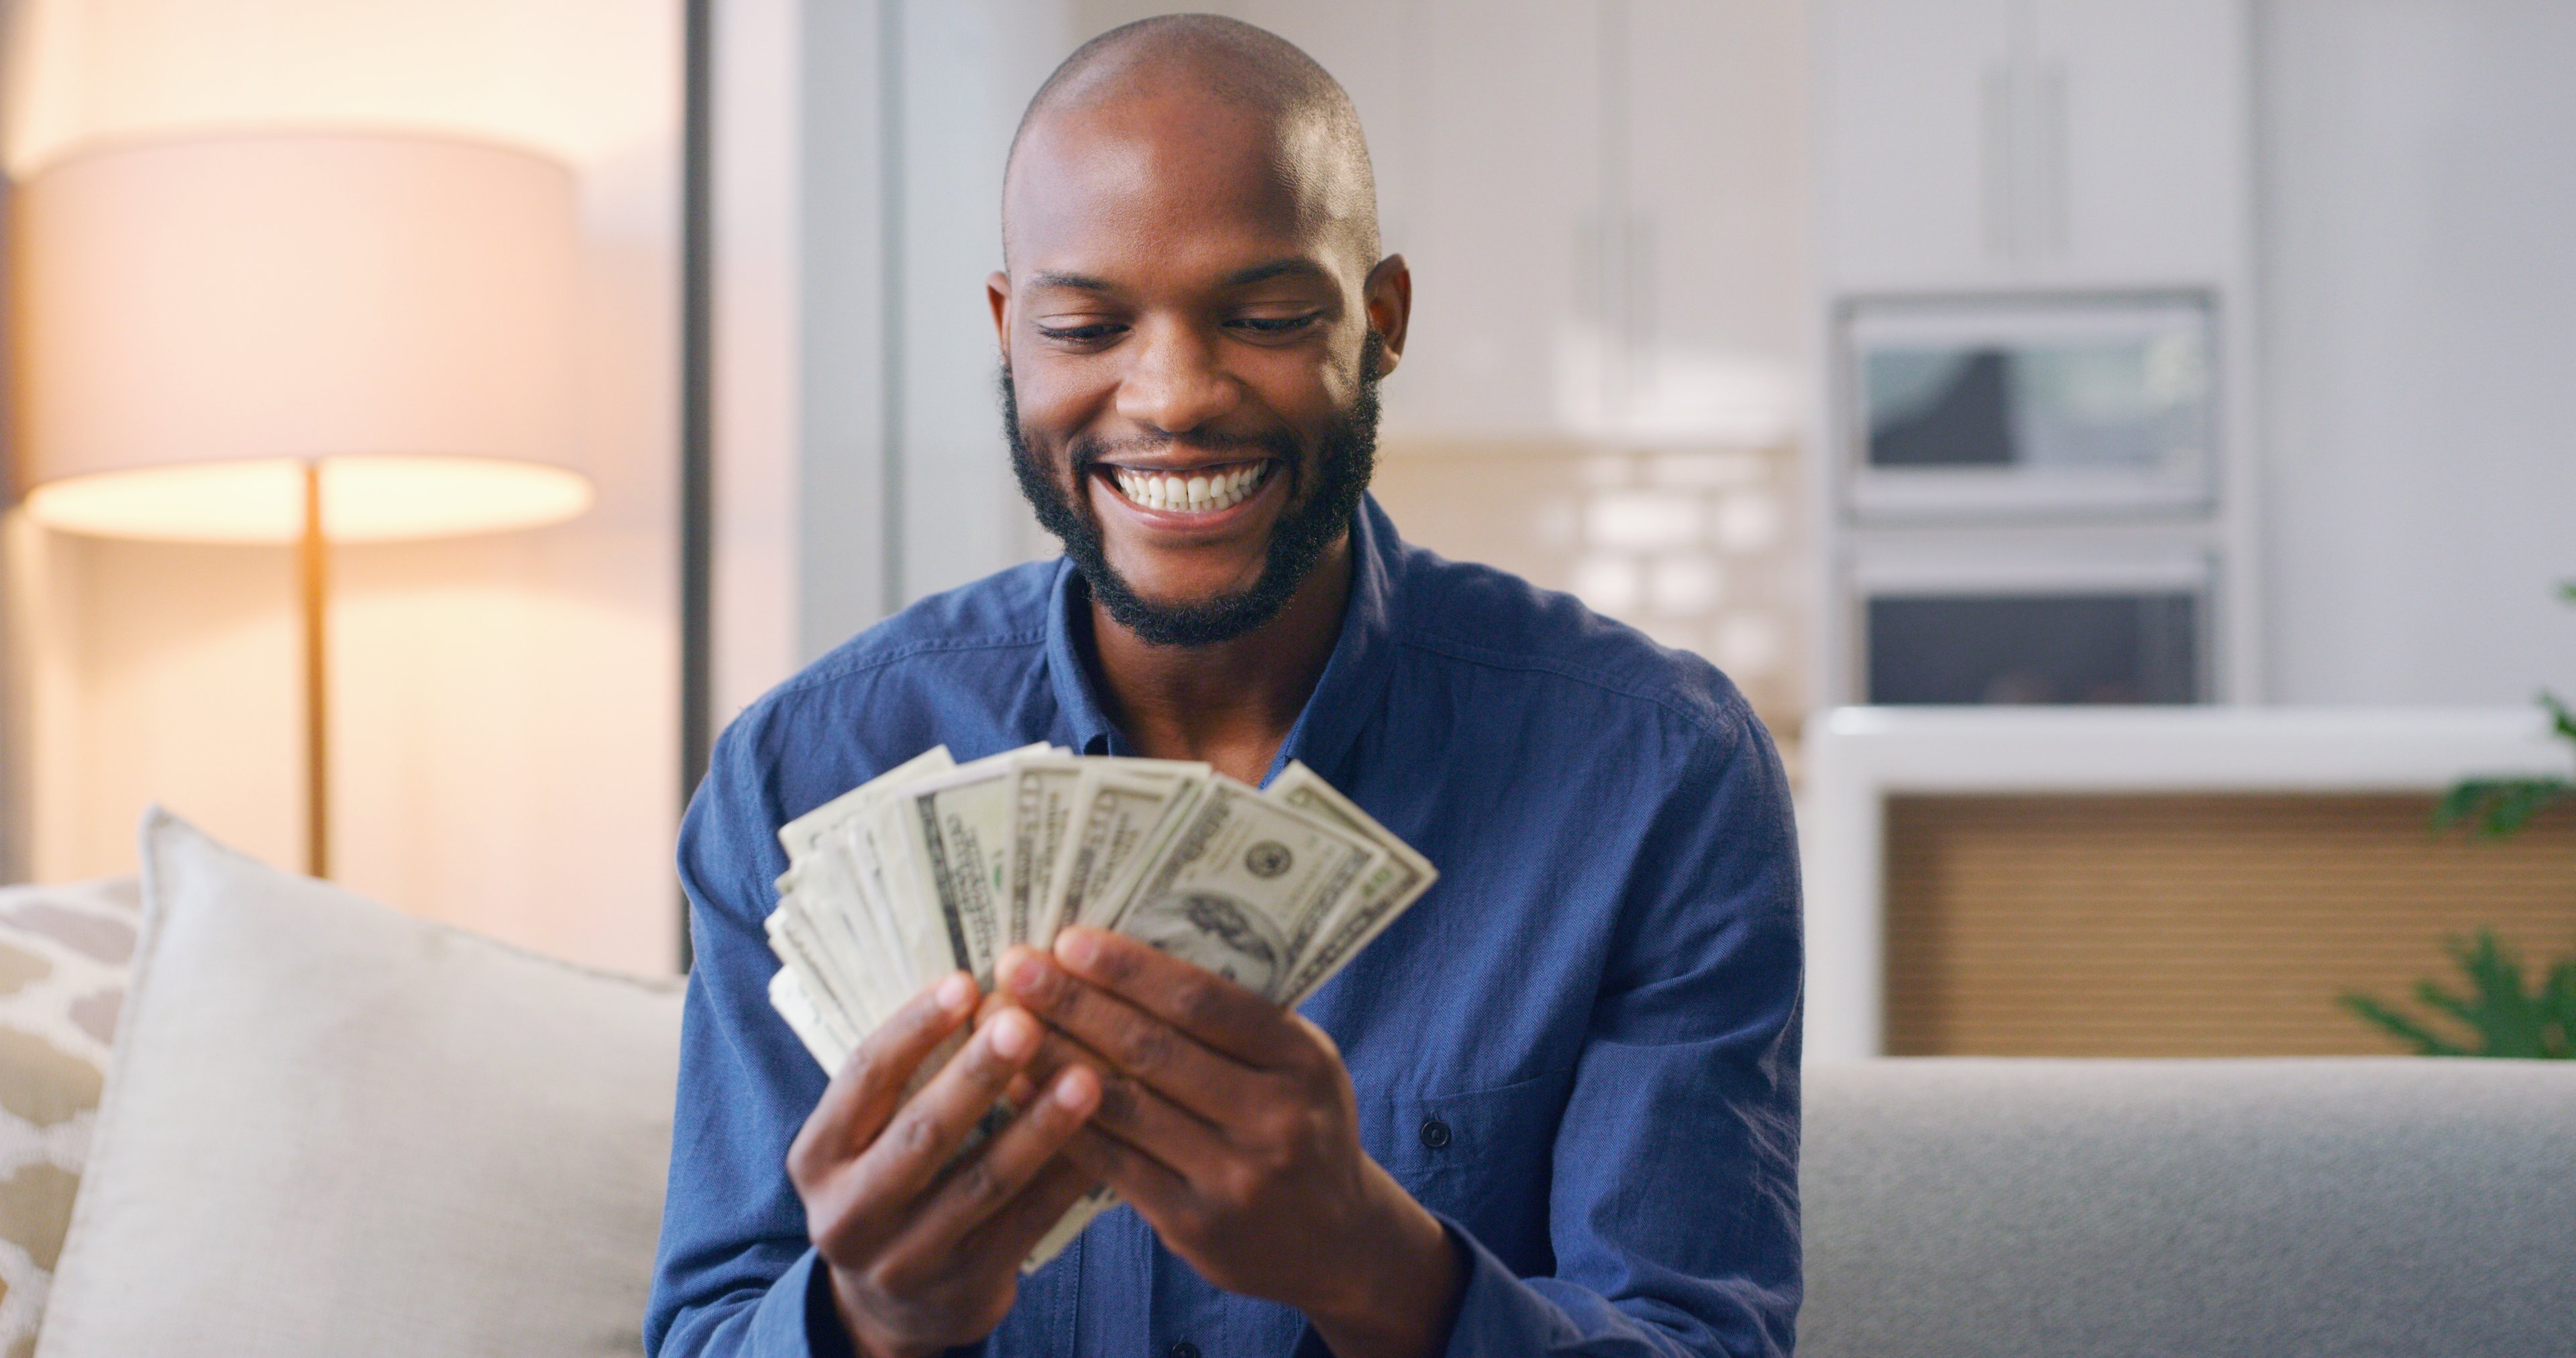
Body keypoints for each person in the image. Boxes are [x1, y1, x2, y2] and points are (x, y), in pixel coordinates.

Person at [646, 15, 1802, 1358]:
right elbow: (710, 1328)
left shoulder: (1658, 773)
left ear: (1382, 323)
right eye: (1087, 324)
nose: (1175, 395)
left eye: (1263, 317)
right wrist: (867, 1318)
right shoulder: (802, 777)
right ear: (1010, 334)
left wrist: (1378, 1265)